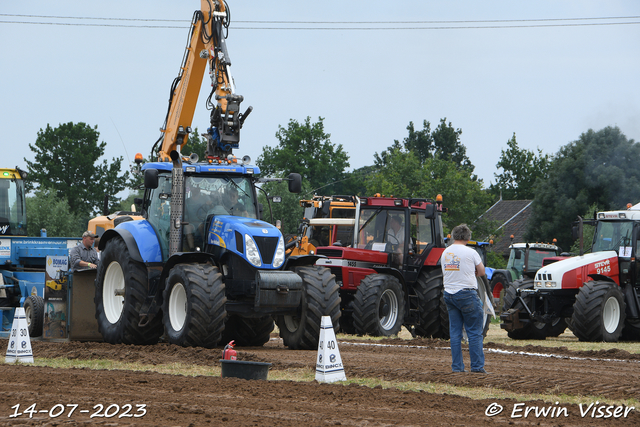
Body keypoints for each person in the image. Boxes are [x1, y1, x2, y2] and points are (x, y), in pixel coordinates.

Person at [440, 224, 487, 374]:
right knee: (474, 332)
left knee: (455, 333)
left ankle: (457, 367)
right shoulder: (471, 252)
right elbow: (481, 271)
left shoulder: (445, 253)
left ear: (453, 236)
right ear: (468, 237)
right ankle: (477, 367)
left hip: (449, 294)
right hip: (467, 294)